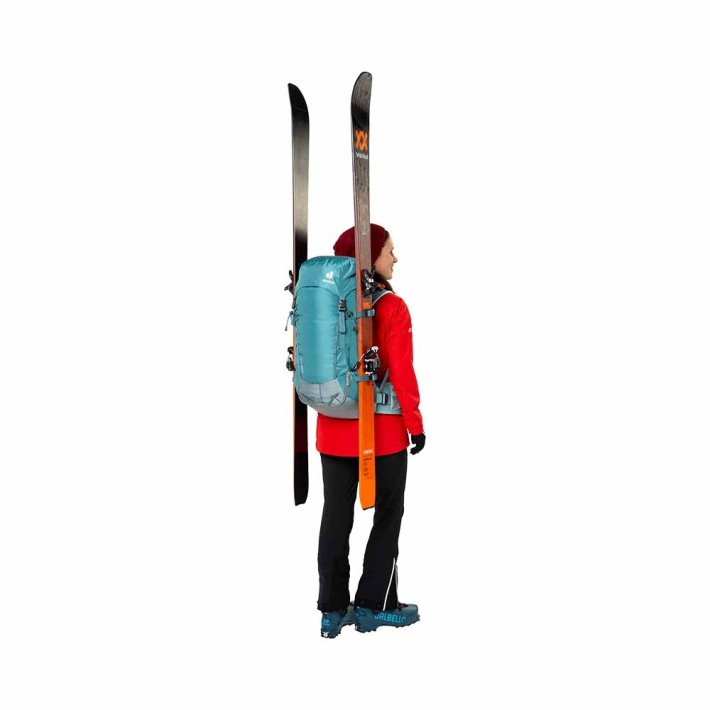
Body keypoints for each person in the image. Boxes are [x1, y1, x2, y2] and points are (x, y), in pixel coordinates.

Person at [317, 223, 426, 638]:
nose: (395, 258)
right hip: (382, 436)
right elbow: (402, 372)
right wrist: (415, 424)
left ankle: (331, 610)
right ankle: (374, 606)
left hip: (332, 430)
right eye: (389, 251)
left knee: (335, 517)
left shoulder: (325, 304)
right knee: (387, 515)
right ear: (370, 257)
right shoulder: (392, 307)